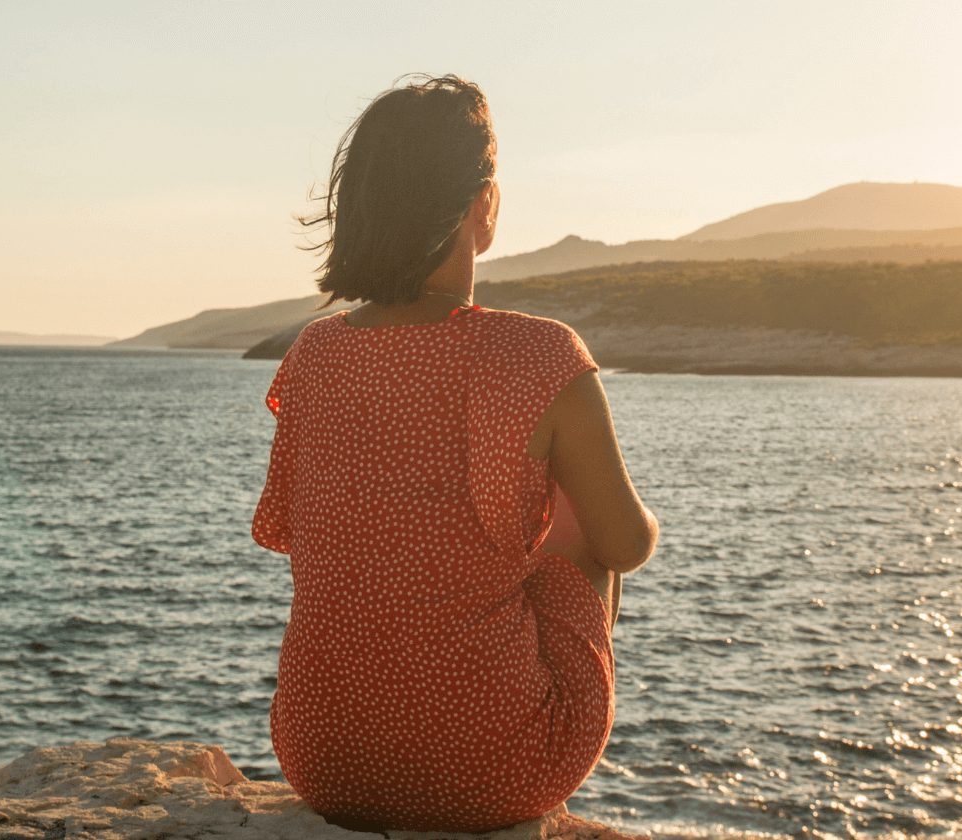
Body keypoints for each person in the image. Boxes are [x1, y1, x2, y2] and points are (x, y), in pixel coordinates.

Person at [250, 73, 659, 833]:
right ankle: (529, 774)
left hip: (323, 763)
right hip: (495, 772)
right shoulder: (540, 354)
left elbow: (299, 536)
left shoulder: (313, 354)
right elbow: (625, 545)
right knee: (578, 537)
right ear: (484, 206)